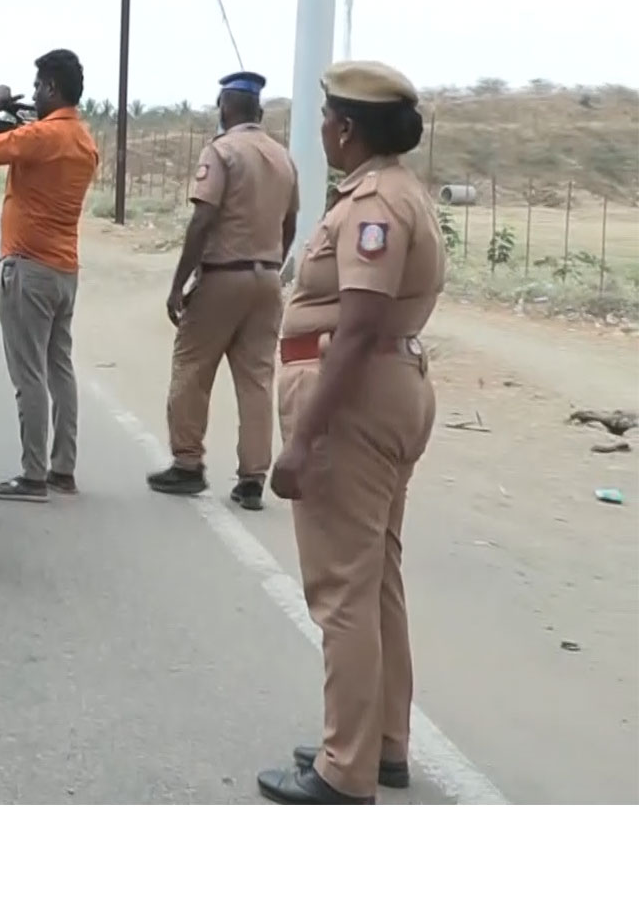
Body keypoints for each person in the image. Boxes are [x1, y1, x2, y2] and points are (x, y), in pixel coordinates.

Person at [254, 60, 444, 805]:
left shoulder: (376, 207)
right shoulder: (399, 194)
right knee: (375, 576)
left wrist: (304, 440)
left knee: (341, 592)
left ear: (350, 128)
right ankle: (382, 743)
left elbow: (359, 327)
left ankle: (345, 767)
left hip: (354, 396)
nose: (324, 129)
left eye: (330, 118)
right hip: (385, 390)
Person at [148, 70, 300, 511]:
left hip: (223, 277)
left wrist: (180, 283)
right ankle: (252, 478)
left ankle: (187, 463)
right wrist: (272, 258)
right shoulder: (283, 158)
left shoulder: (222, 152)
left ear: (228, 107)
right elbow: (290, 223)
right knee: (256, 379)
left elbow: (203, 219)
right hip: (268, 278)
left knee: (192, 366)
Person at [0, 49, 100, 503]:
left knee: (28, 373)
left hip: (28, 267)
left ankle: (33, 473)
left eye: (40, 85)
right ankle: (63, 466)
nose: (37, 92)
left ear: (50, 88)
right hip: (65, 268)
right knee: (59, 368)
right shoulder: (83, 140)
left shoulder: (43, 135)